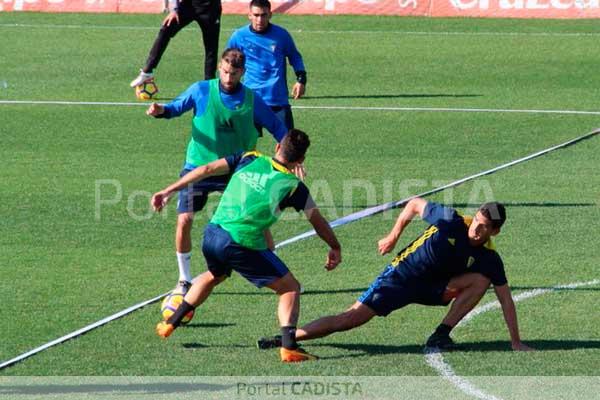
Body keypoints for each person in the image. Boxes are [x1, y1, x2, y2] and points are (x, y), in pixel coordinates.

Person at [152, 129, 342, 362]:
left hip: (212, 234)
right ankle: (289, 346)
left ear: (277, 148)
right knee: (290, 287)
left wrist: (169, 189)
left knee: (214, 275)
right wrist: (335, 246)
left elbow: (205, 170)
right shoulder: (294, 186)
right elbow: (317, 221)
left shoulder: (248, 157)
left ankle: (170, 323)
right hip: (240, 243)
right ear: (301, 160)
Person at [257, 198, 534, 352]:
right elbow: (414, 204)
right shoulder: (451, 221)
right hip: (401, 277)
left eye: (485, 228)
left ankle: (440, 335)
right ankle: (288, 337)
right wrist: (392, 236)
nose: (477, 229)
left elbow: (506, 300)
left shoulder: (489, 257)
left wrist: (516, 341)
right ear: (475, 216)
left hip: (434, 287)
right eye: (478, 222)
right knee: (350, 319)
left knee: (481, 280)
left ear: (495, 232)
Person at [146, 48, 288, 296]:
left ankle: (275, 271)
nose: (228, 77)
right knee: (184, 220)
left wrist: (290, 154)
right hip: (198, 167)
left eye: (233, 73)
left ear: (242, 72)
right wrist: (161, 111)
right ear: (219, 68)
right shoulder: (201, 90)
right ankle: (184, 279)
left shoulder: (252, 100)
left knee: (257, 221)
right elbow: (175, 108)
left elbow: (278, 127)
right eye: (224, 71)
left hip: (237, 170)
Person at [226, 0, 306, 130]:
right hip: (250, 100)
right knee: (245, 146)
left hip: (277, 99)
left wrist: (301, 79)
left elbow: (295, 56)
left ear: (270, 15)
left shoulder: (281, 35)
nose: (259, 20)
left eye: (263, 15)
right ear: (249, 15)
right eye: (256, 15)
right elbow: (227, 63)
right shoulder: (239, 36)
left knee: (288, 144)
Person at [130, 0, 222, 88]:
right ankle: (147, 72)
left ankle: (209, 85)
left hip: (211, 8)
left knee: (211, 48)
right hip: (188, 5)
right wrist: (174, 10)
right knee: (166, 29)